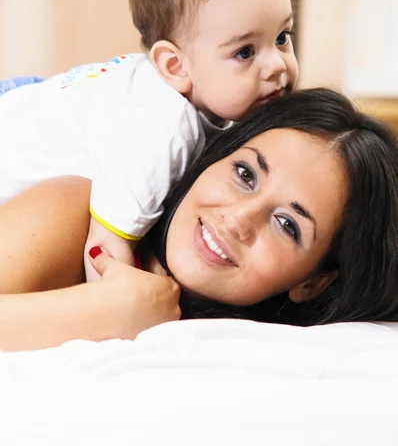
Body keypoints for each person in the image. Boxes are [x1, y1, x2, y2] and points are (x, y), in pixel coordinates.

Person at [0, 0, 298, 284]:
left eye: (283, 36)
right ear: (174, 66)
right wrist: (131, 312)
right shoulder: (158, 129)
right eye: (244, 52)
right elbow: (105, 253)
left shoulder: (215, 104)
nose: (276, 66)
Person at [0, 88, 397, 352]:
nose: (239, 219)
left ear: (312, 283)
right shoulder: (84, 205)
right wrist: (104, 311)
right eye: (245, 174)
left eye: (287, 224)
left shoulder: (271, 357)